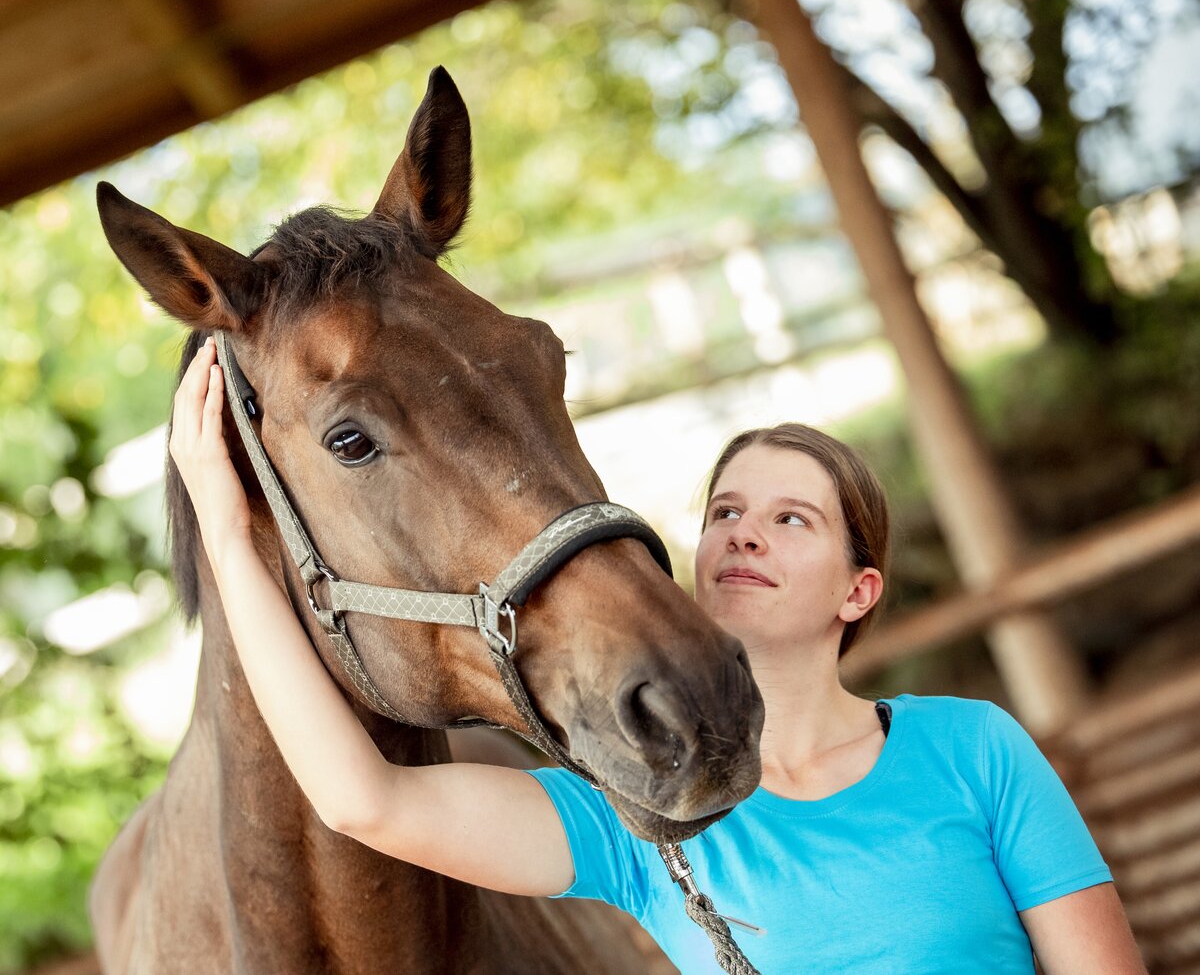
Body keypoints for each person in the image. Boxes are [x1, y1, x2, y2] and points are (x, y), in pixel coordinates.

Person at [173, 336, 1145, 973]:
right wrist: (223, 524)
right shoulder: (645, 826)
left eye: (790, 517)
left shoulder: (975, 747)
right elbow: (362, 799)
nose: (745, 533)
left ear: (859, 590)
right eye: (726, 511)